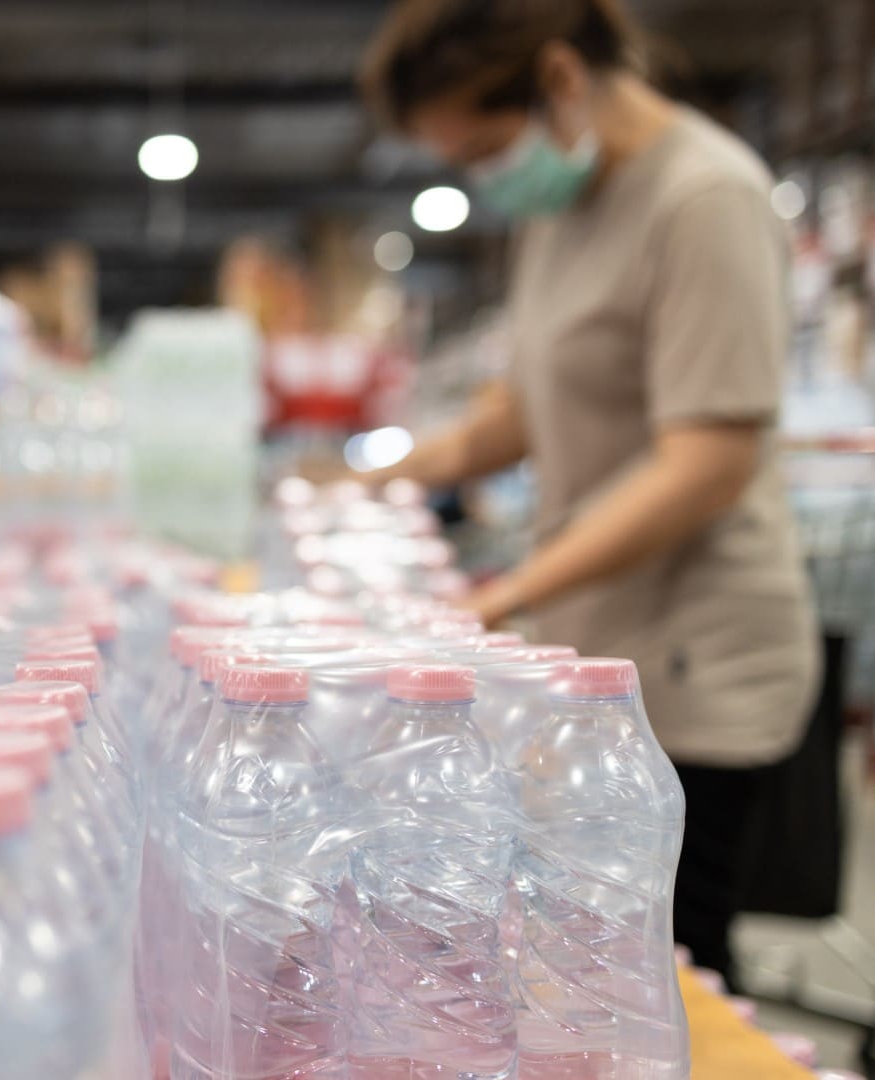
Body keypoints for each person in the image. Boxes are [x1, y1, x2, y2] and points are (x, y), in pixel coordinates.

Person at [355, 0, 820, 989]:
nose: (486, 176)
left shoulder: (704, 198)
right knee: (580, 947)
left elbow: (708, 459)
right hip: (600, 642)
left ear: (561, 79)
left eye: (485, 144)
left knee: (667, 956)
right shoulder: (562, 210)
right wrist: (377, 477)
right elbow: (521, 414)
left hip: (695, 655)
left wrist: (501, 596)